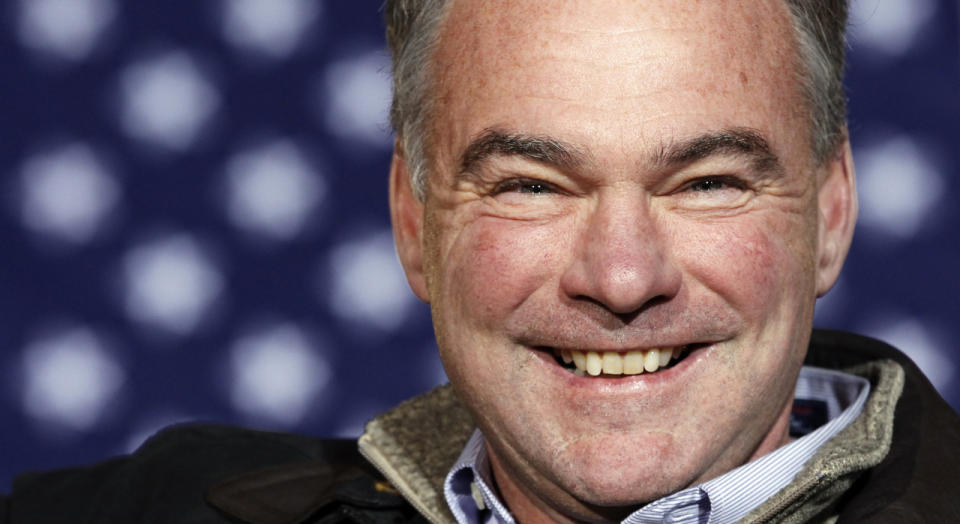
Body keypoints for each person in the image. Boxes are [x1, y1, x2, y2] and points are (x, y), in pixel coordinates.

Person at [3, 1, 959, 523]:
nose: (622, 279)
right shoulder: (171, 504)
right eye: (532, 185)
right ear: (414, 221)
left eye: (705, 182)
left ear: (831, 212)